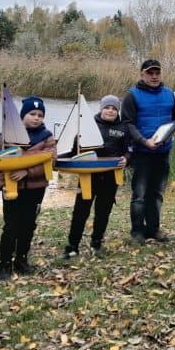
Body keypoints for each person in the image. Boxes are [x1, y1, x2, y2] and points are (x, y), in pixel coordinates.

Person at [0, 96, 56, 280]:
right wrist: (2, 185)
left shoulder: (47, 137)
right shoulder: (7, 137)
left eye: (40, 115)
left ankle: (21, 260)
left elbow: (51, 161)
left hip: (36, 189)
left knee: (28, 225)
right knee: (11, 226)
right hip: (12, 189)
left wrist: (27, 171)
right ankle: (4, 264)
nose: (36, 118)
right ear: (22, 115)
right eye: (32, 114)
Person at [61, 95, 130, 259]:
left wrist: (127, 158)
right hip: (88, 176)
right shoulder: (88, 123)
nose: (110, 111)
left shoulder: (123, 128)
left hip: (110, 177)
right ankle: (72, 246)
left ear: (117, 111)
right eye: (107, 107)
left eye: (114, 108)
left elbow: (130, 150)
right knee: (80, 211)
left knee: (103, 212)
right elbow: (73, 150)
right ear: (101, 108)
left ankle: (96, 244)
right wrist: (59, 157)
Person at [121, 59, 175, 244]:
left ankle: (153, 229)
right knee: (140, 194)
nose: (154, 76)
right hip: (142, 153)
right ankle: (137, 231)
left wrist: (169, 135)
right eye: (150, 73)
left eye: (157, 73)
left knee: (157, 193)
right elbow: (127, 124)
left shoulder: (169, 94)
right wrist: (144, 141)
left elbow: (173, 120)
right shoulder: (132, 96)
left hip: (163, 152)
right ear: (142, 74)